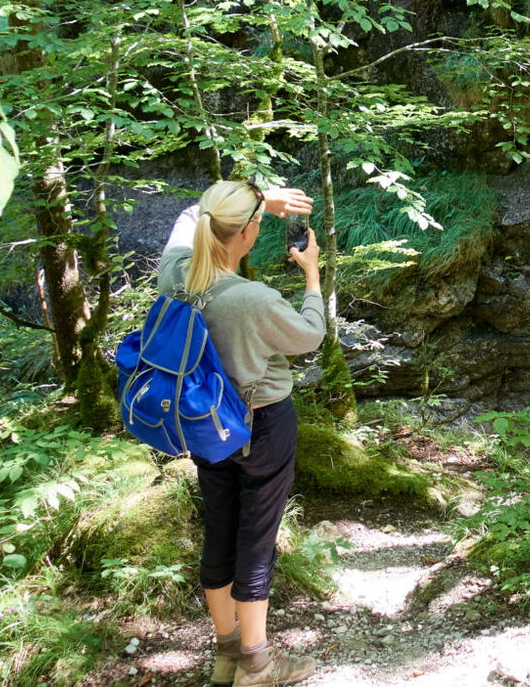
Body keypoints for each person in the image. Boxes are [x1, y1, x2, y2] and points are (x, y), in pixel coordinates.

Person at [157, 179, 323, 687]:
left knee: (220, 529)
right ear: (250, 233)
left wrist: (256, 202)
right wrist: (312, 276)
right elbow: (309, 335)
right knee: (255, 539)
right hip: (262, 424)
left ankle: (226, 652)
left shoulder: (176, 277)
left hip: (204, 423)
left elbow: (189, 218)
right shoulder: (251, 297)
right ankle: (258, 666)